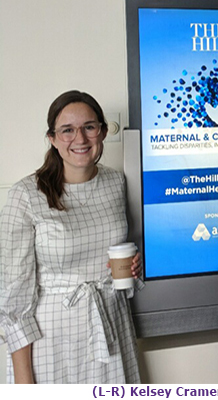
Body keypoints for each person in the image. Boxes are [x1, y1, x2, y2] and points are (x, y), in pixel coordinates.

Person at [0, 90, 143, 384]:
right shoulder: (25, 196)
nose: (80, 139)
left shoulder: (116, 183)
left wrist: (135, 269)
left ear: (102, 132)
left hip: (111, 325)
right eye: (67, 130)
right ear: (52, 138)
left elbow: (122, 252)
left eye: (89, 127)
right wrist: (24, 383)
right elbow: (12, 300)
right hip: (51, 340)